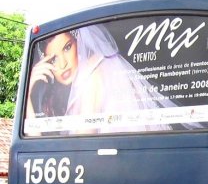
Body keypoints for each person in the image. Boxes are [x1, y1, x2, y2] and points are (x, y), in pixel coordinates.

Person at [26, 24, 176, 133]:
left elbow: (82, 143)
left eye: (67, 47)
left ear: (80, 42)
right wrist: (28, 91)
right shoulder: (78, 86)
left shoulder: (93, 74)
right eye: (53, 60)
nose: (63, 64)